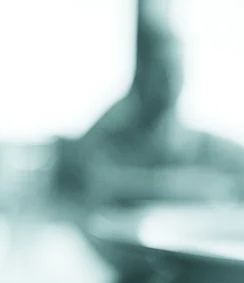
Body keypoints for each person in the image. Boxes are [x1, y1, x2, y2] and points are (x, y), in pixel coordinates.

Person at [54, 19, 244, 208]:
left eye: (177, 69)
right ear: (140, 73)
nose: (171, 80)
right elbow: (99, 184)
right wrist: (194, 187)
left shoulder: (205, 146)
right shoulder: (112, 138)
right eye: (161, 69)